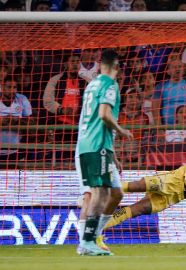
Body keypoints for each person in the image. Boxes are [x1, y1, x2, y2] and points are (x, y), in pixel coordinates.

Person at [76, 49, 133, 256]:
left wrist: (113, 153)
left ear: (100, 65)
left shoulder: (92, 84)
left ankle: (90, 238)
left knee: (115, 192)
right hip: (96, 145)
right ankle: (89, 241)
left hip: (92, 144)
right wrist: (122, 130)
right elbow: (104, 115)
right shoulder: (110, 85)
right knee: (99, 193)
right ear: (117, 67)